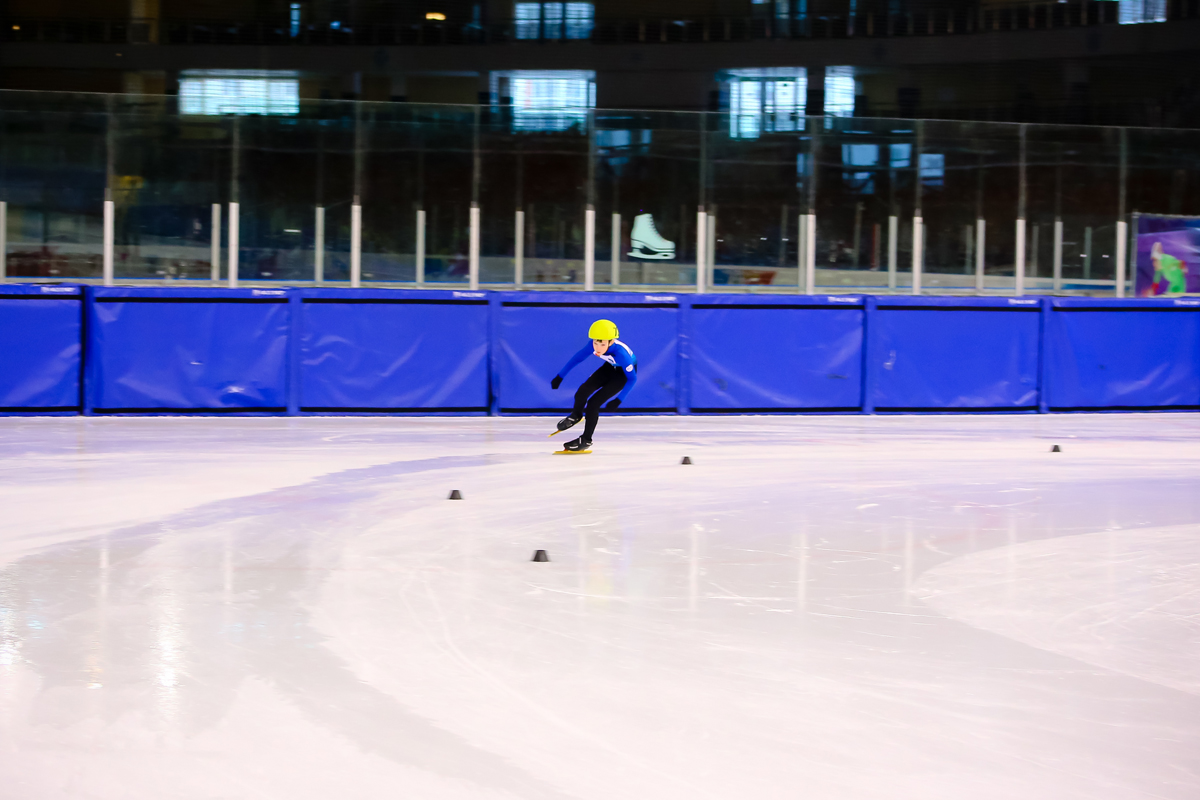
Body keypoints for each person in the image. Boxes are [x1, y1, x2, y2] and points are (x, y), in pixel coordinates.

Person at [550, 319, 638, 452]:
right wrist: (560, 376)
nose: (598, 348)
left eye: (602, 344)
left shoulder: (621, 355)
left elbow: (632, 379)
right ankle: (576, 414)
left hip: (622, 375)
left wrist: (618, 400)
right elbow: (577, 358)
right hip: (609, 368)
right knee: (582, 391)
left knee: (593, 404)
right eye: (596, 343)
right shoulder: (592, 345)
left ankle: (586, 440)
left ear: (611, 342)